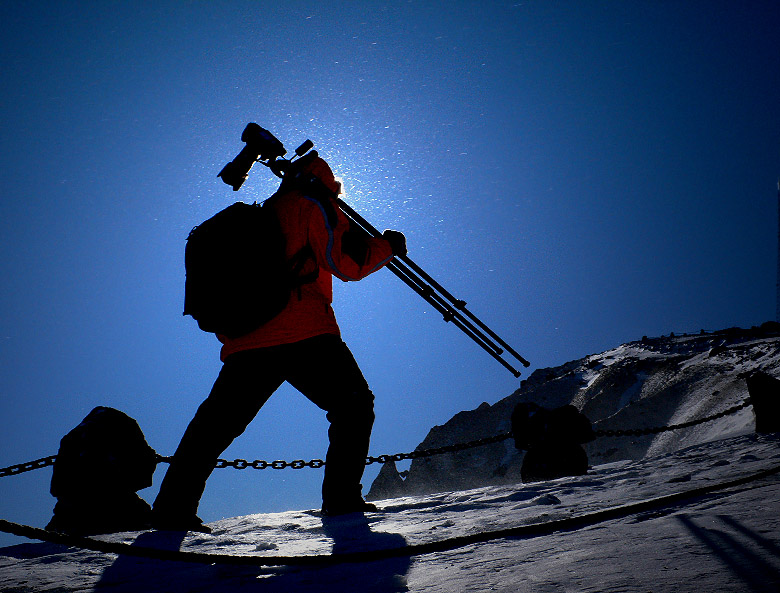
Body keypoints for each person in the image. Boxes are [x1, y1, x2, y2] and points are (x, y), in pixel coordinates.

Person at [152, 154, 406, 532]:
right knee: (353, 407)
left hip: (247, 340)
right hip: (305, 332)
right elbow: (347, 265)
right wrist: (388, 246)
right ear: (327, 180)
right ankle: (341, 501)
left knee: (215, 426)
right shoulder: (312, 204)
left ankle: (172, 509)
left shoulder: (265, 212)